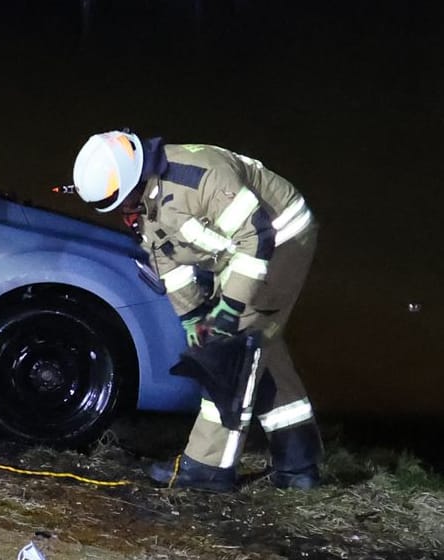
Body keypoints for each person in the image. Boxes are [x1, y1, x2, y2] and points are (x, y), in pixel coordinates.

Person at [71, 131, 322, 491]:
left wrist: (228, 308)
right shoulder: (146, 201)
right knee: (260, 348)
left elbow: (256, 236)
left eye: (120, 201)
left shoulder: (200, 176)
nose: (123, 213)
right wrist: (193, 316)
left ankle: (208, 467)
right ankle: (299, 465)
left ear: (132, 179)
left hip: (280, 241)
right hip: (238, 254)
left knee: (231, 352)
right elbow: (170, 261)